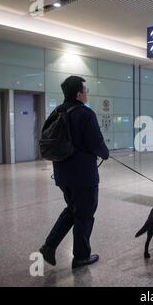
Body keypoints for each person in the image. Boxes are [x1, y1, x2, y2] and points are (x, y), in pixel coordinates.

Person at [40, 76, 109, 269]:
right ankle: (80, 257)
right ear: (79, 93)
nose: (87, 93)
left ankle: (49, 247)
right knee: (84, 215)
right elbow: (97, 144)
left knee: (73, 209)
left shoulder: (57, 111)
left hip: (62, 174)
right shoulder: (85, 114)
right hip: (84, 176)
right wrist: (106, 153)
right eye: (85, 90)